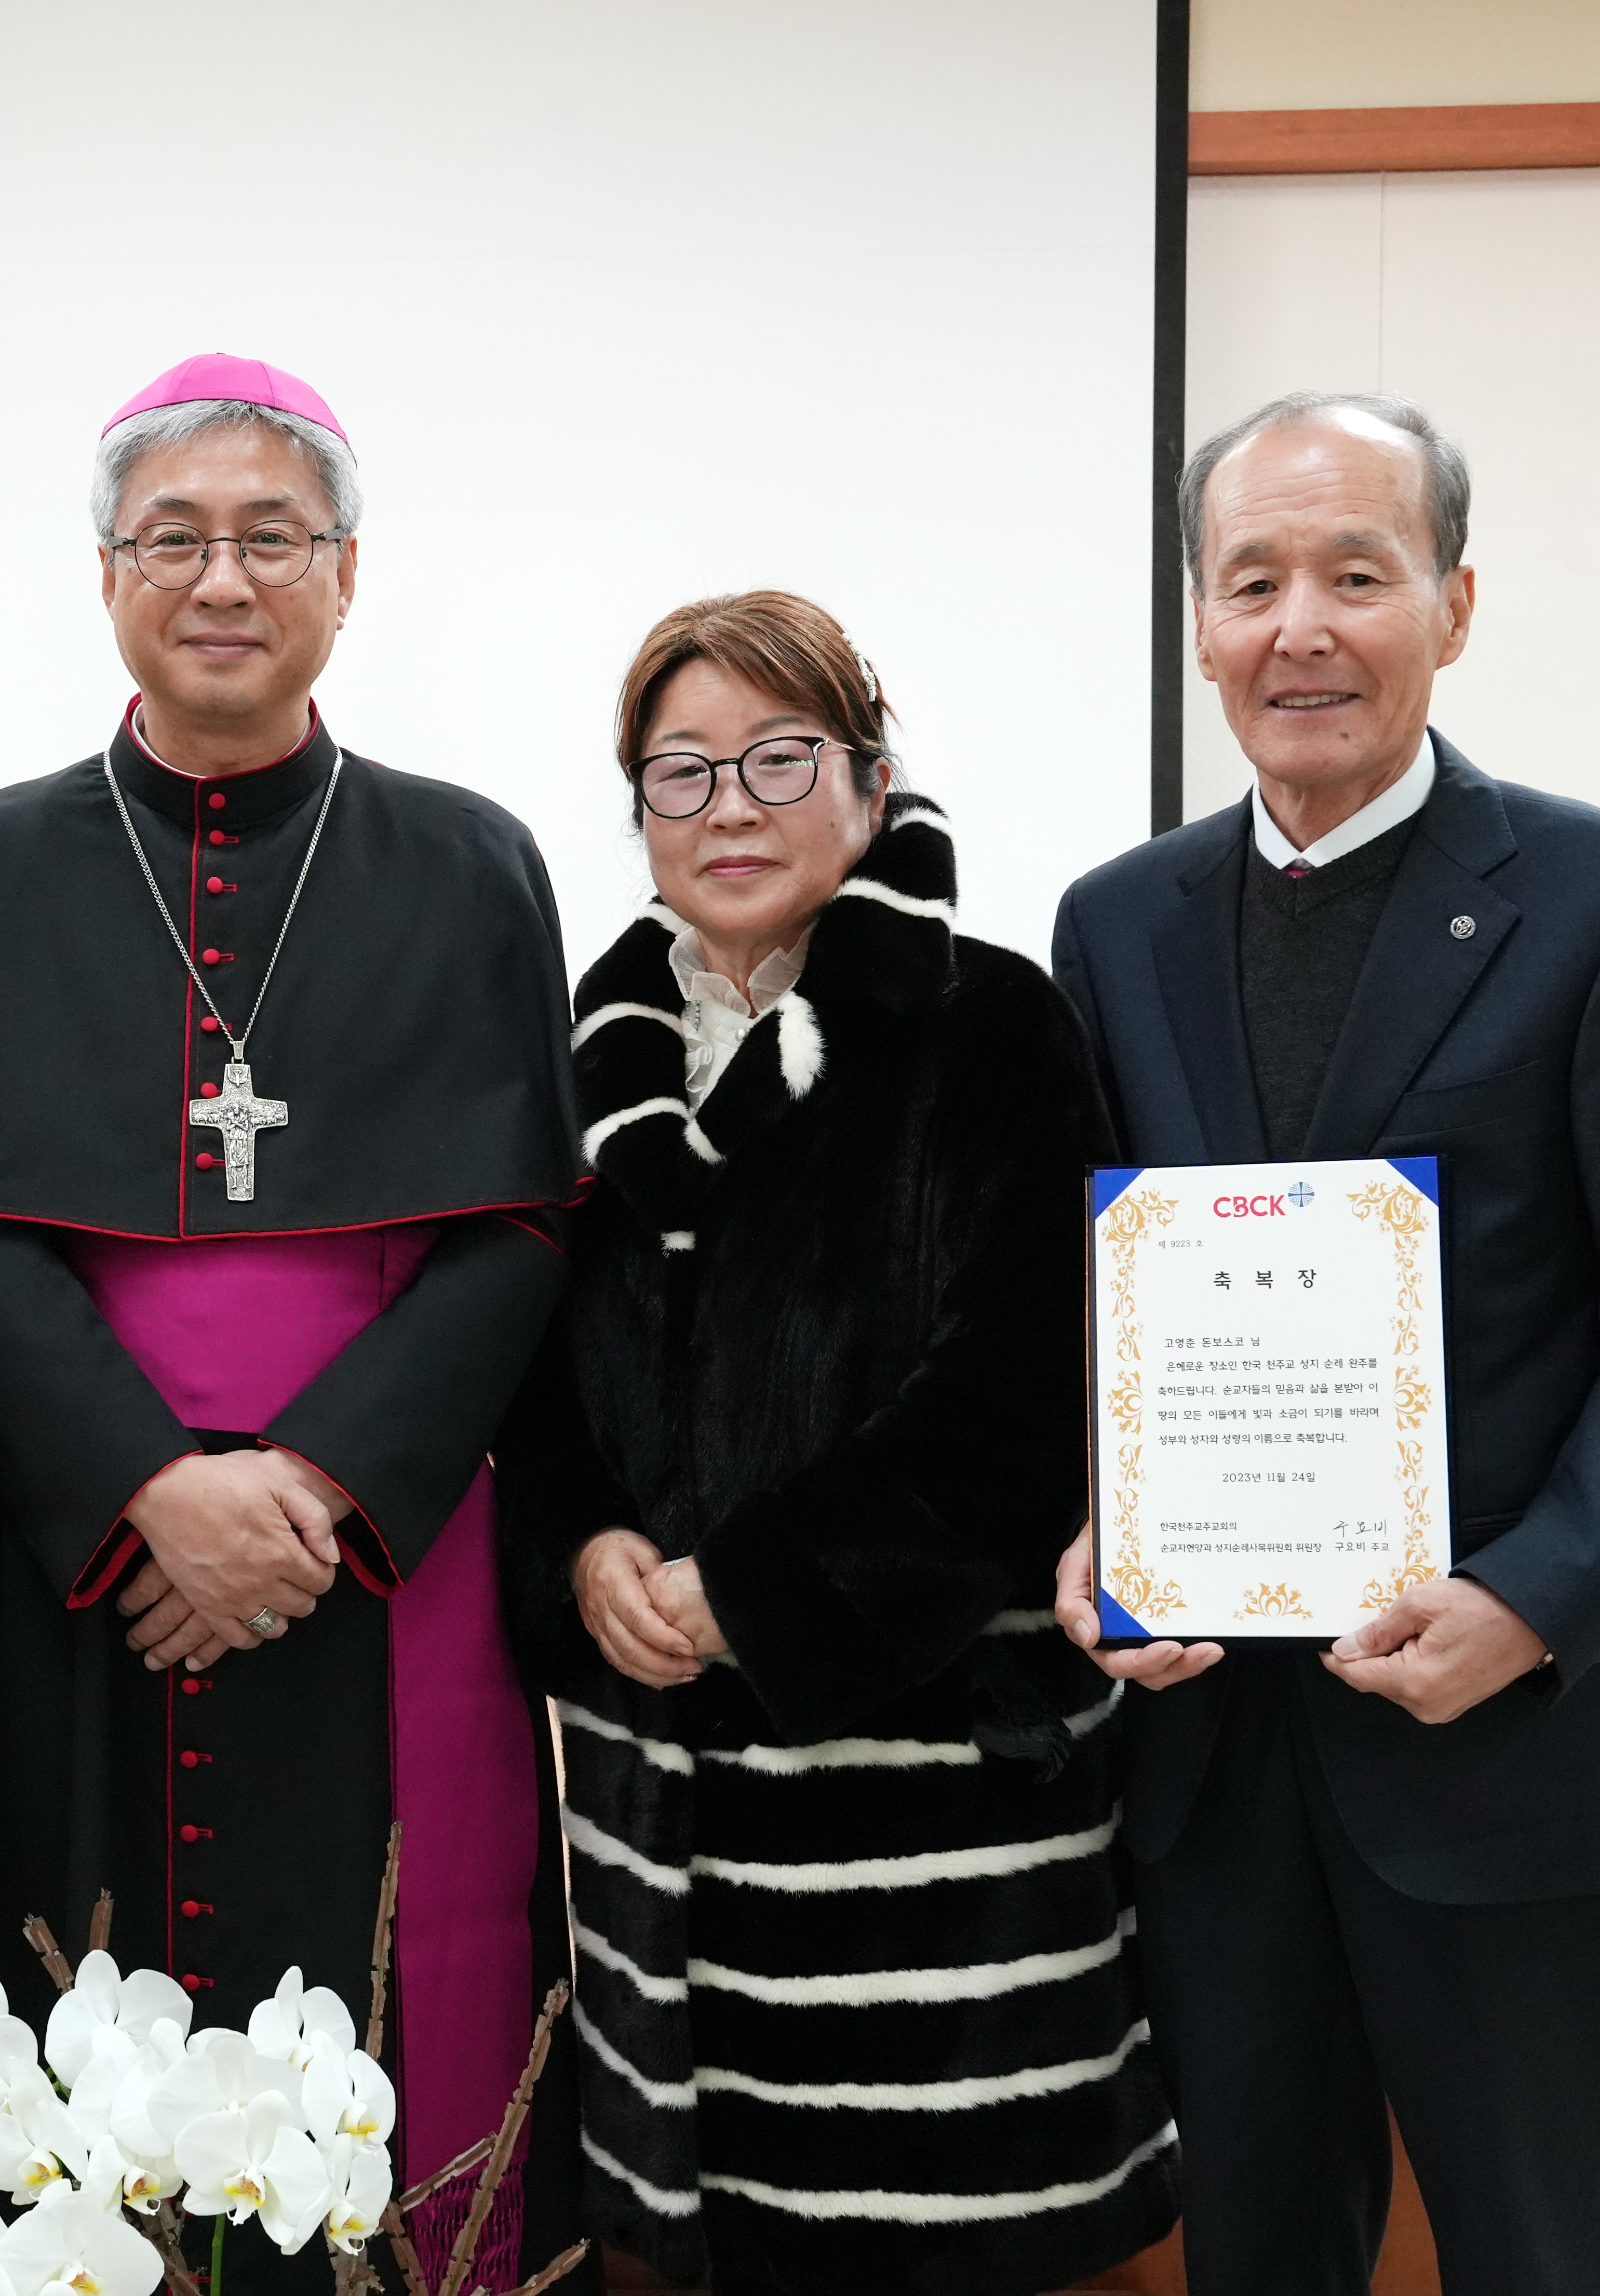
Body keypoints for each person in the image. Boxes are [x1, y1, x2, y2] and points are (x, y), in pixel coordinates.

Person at [1048, 392, 1600, 2294]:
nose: (1304, 627)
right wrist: (1095, 1530)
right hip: (1216, 1758)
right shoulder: (1117, 925)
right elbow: (1109, 1303)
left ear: (1453, 604)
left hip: (1510, 1747)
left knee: (1534, 2260)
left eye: (1357, 574)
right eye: (1254, 579)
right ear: (1199, 620)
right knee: (1260, 2259)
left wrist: (1527, 1605)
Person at [0, 355, 584, 2285]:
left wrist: (314, 1488)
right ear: (105, 574)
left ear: (347, 576)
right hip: (86, 1569)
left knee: (401, 2024)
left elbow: (522, 1227)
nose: (222, 576)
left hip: (374, 1566)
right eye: (173, 537)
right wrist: (143, 1491)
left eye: (272, 536)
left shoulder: (467, 859)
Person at [494, 593, 1176, 2296]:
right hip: (664, 1802)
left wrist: (757, 1594)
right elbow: (536, 1386)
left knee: (922, 2240)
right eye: (680, 771)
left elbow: (1021, 1410)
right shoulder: (588, 1059)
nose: (729, 806)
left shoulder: (994, 1028)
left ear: (872, 782)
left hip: (932, 1806)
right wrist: (585, 1552)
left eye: (779, 757)